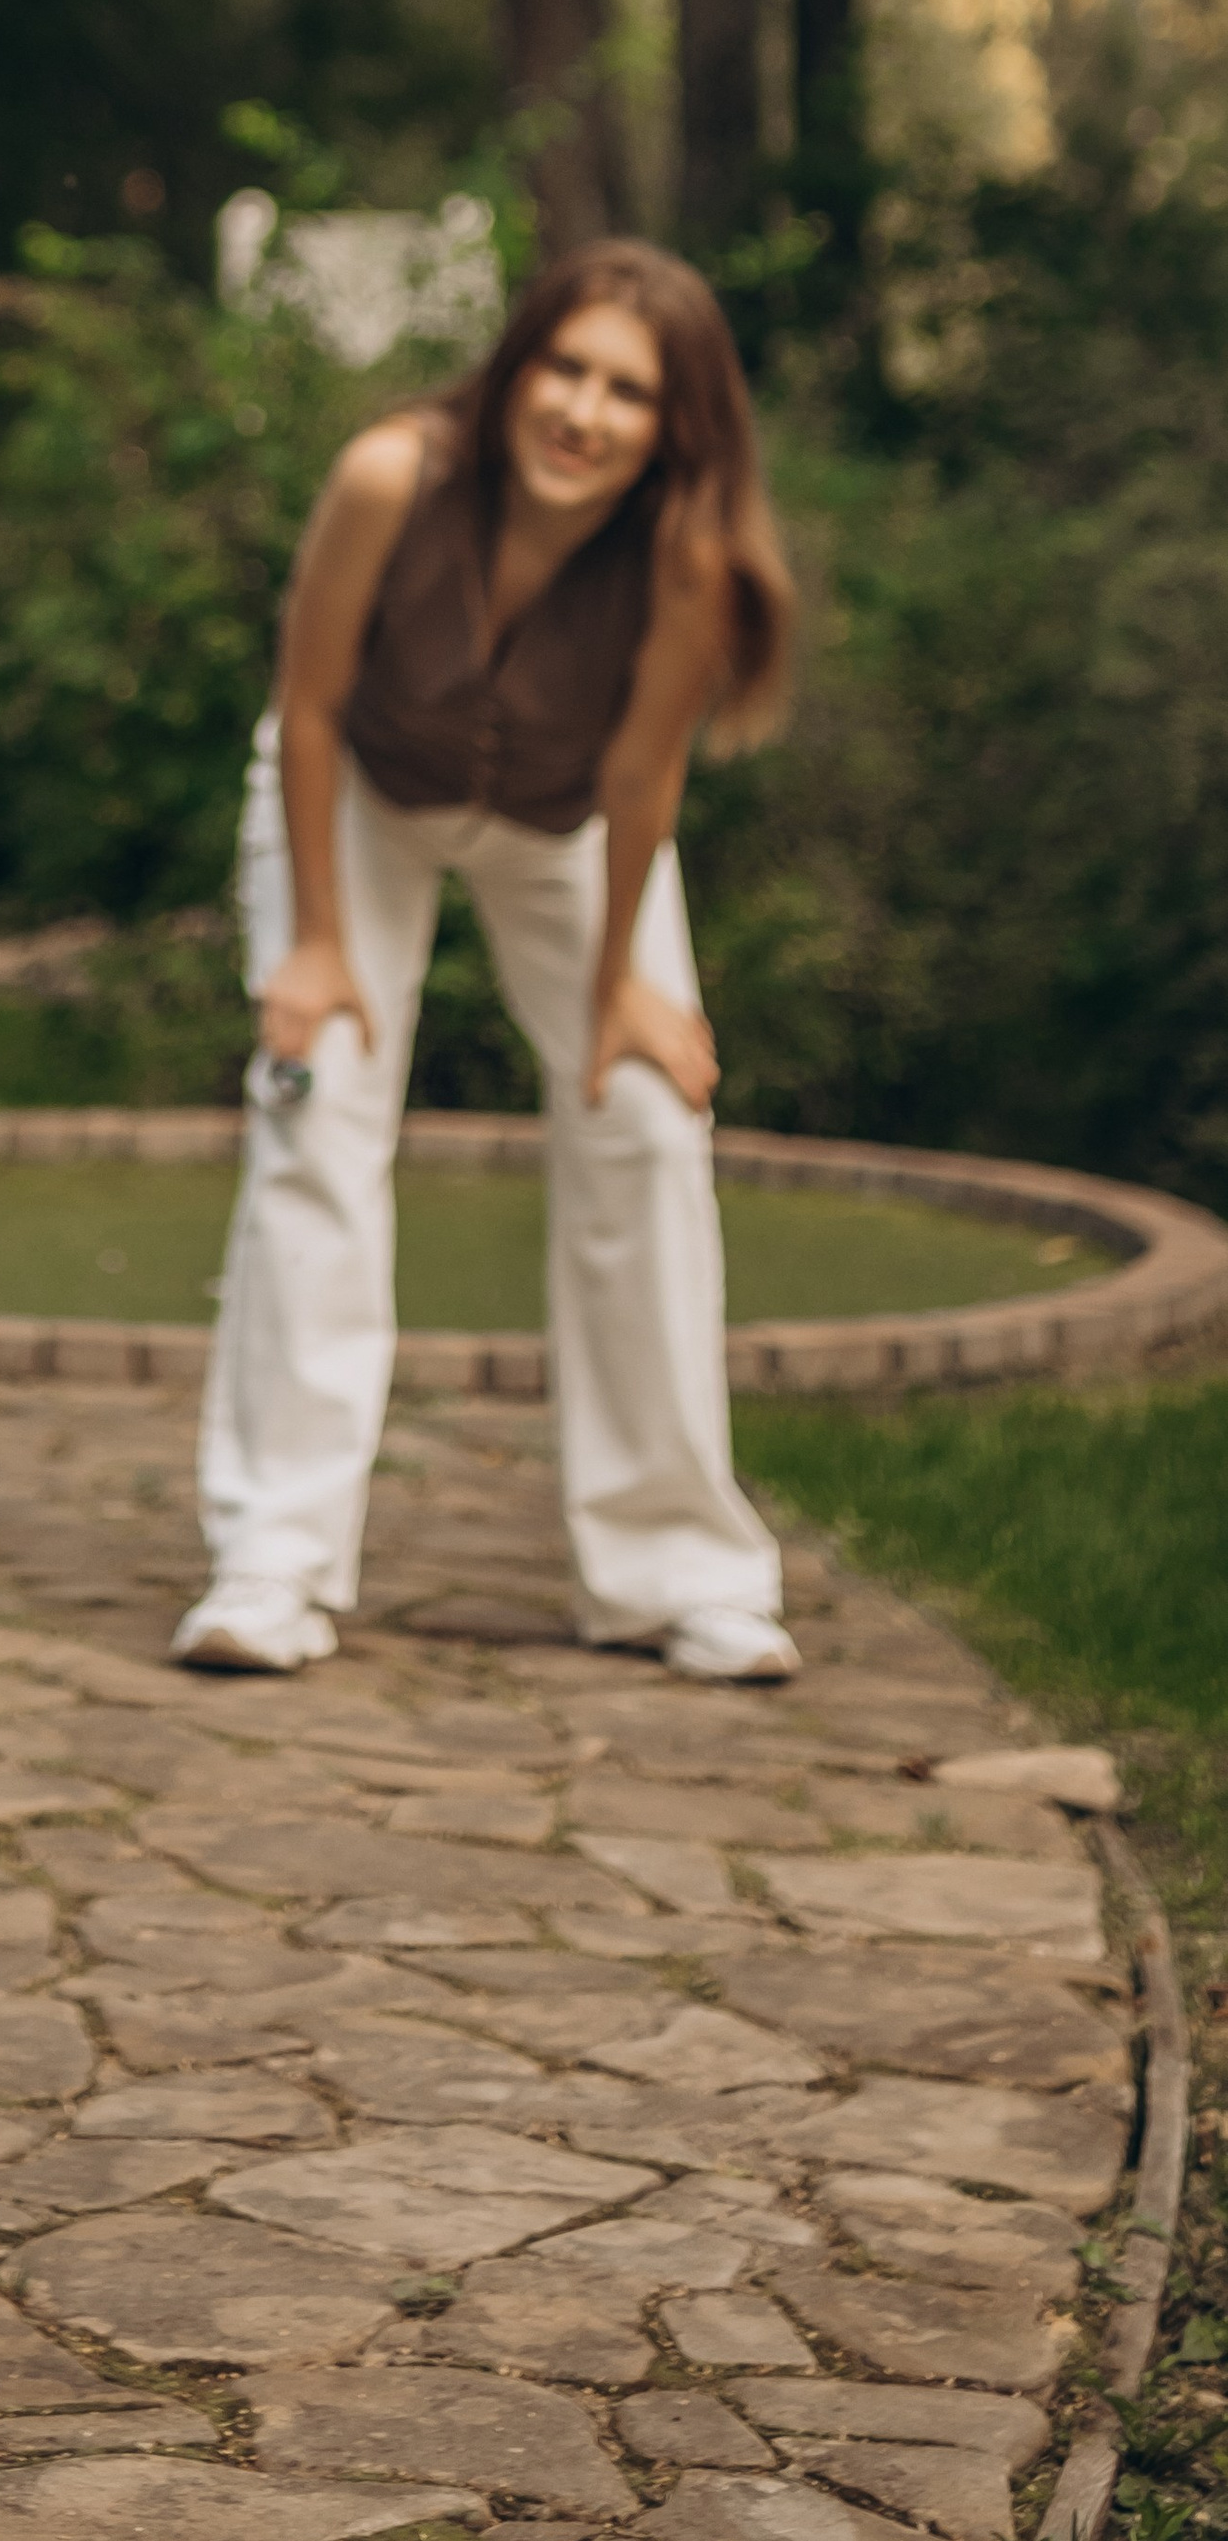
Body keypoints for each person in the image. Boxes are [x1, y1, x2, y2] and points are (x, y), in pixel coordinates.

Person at [175, 236, 799, 1686]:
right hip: (361, 795)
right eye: (565, 369)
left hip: (566, 823)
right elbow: (312, 710)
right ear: (517, 370)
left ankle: (678, 1570)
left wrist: (621, 991)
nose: (584, 412)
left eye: (627, 392)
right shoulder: (392, 476)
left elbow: (643, 786)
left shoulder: (685, 560)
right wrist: (319, 950)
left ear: (676, 425)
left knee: (645, 1117)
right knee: (317, 1102)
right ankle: (273, 1560)